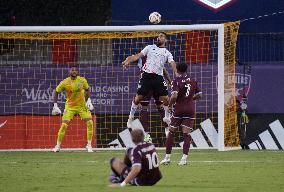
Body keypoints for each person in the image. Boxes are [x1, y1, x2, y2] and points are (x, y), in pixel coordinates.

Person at [122, 32, 177, 131]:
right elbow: (137, 56)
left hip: (158, 78)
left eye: (162, 36)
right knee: (138, 99)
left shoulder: (167, 52)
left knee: (166, 100)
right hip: (146, 76)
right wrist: (128, 61)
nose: (159, 37)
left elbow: (172, 63)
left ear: (166, 40)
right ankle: (130, 117)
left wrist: (176, 74)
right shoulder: (149, 47)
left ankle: (167, 118)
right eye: (158, 36)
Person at [160, 62, 202, 165]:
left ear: (177, 70)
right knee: (186, 134)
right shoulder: (193, 80)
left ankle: (167, 158)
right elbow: (200, 95)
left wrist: (169, 105)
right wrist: (190, 99)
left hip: (179, 109)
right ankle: (183, 159)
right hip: (190, 109)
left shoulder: (176, 80)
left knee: (171, 132)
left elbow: (174, 96)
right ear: (186, 70)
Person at [51, 65, 95, 152]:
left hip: (82, 106)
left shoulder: (82, 80)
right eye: (72, 70)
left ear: (77, 72)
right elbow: (56, 91)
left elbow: (87, 89)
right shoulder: (65, 82)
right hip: (70, 107)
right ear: (69, 71)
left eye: (75, 70)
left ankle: (89, 145)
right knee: (64, 125)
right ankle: (58, 146)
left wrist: (88, 100)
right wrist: (55, 105)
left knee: (90, 122)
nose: (74, 71)